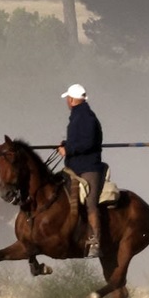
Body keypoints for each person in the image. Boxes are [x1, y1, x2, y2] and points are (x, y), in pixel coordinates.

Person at [56, 83, 103, 258]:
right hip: (74, 168)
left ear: (72, 99)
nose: (67, 101)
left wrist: (68, 150)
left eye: (68, 98)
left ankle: (95, 241)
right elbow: (79, 141)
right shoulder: (78, 116)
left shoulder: (87, 117)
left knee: (91, 205)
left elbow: (88, 143)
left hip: (88, 168)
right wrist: (67, 145)